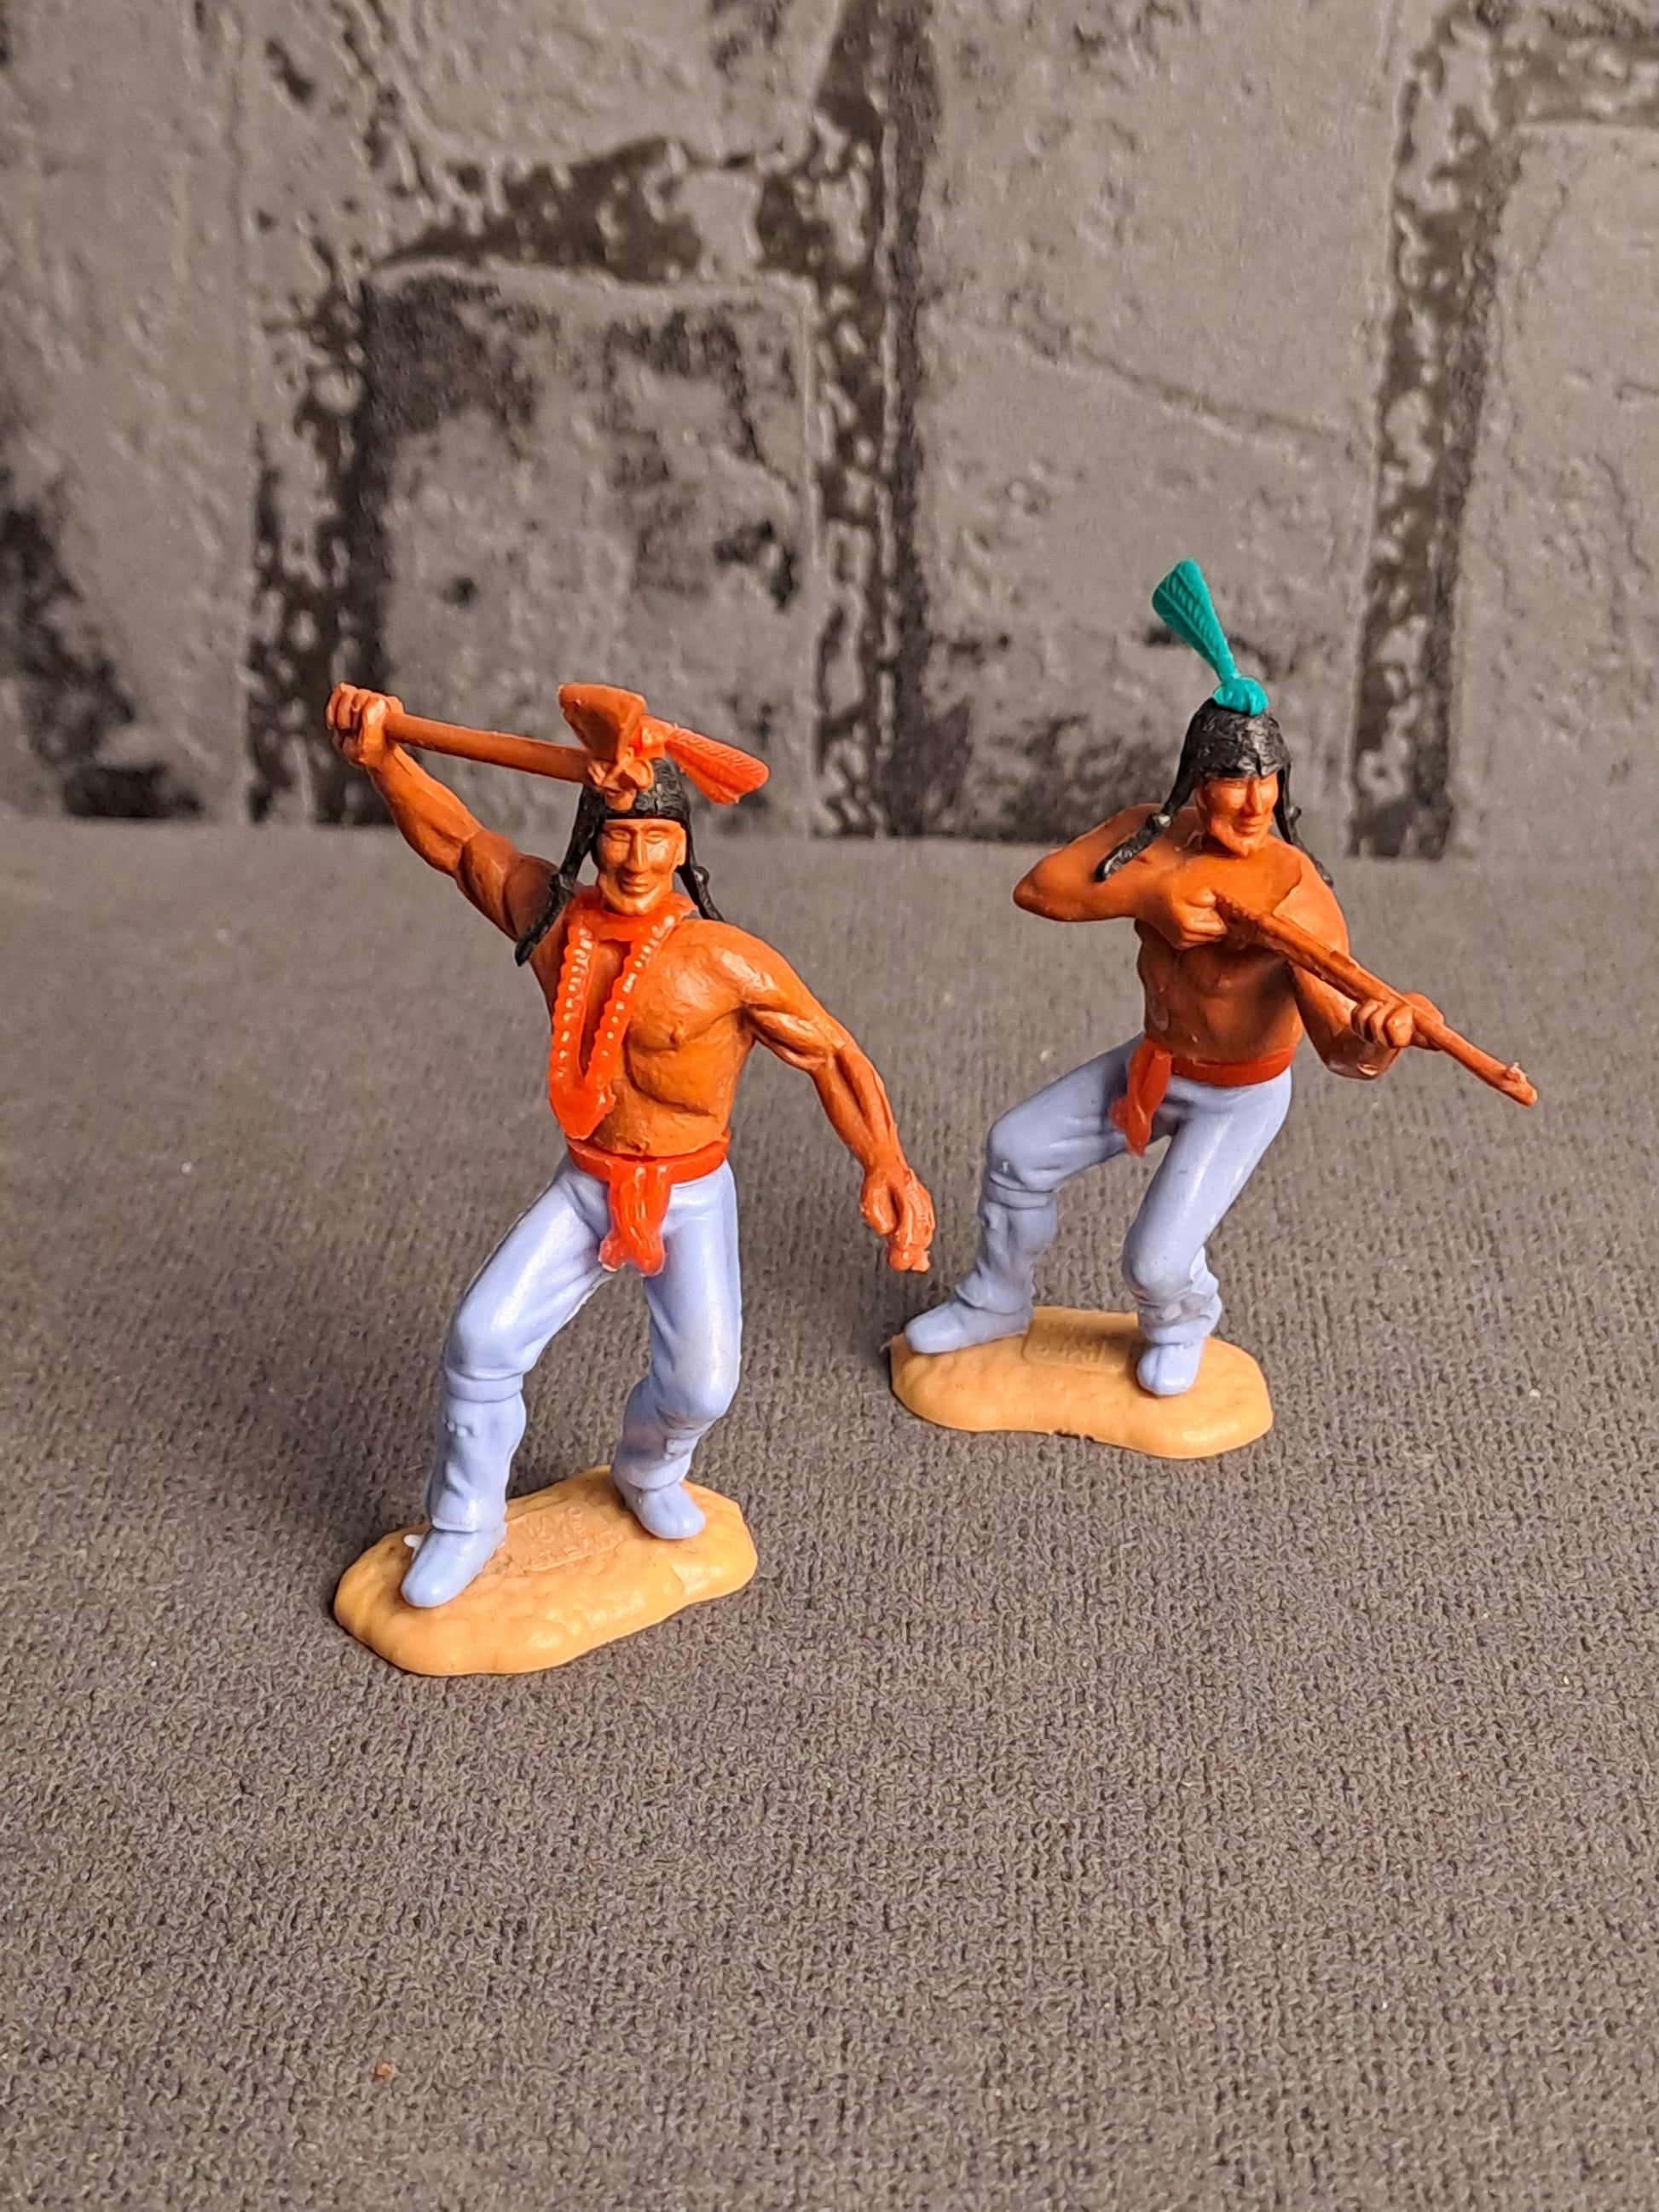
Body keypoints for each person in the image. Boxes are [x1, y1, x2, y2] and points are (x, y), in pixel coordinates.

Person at [327, 681, 934, 1607]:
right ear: (591, 836)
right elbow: (458, 844)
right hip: (589, 1183)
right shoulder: (552, 924)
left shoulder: (725, 960)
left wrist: (885, 1159)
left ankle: (650, 1468)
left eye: (656, 837)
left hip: (689, 1193)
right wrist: (383, 759)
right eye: (618, 835)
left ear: (683, 847)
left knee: (701, 1386)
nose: (637, 857)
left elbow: (832, 1054)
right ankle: (464, 1521)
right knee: (481, 1339)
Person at [906, 561, 1435, 1398]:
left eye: (1265, 780)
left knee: (1153, 1262)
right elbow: (1039, 888)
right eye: (1232, 780)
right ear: (1197, 780)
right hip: (1156, 1060)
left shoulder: (1297, 892)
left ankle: (1183, 1319)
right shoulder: (1151, 844)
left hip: (1239, 1093)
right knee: (1015, 1152)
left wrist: (1376, 1039)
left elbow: (1340, 1048)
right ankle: (995, 1300)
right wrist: (1149, 894)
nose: (1252, 801)